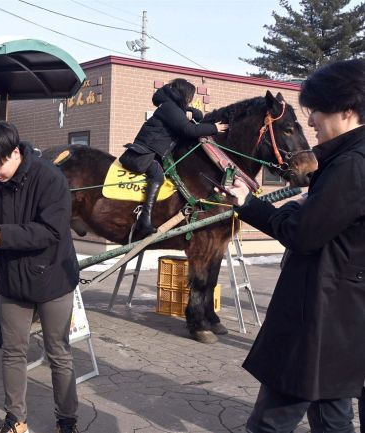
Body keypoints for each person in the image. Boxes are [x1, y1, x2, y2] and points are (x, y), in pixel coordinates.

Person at [227, 58, 365, 433]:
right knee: (333, 416)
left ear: (348, 112)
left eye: (315, 111)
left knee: (271, 422)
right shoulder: (344, 161)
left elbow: (304, 234)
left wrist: (250, 205)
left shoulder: (351, 165)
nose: (310, 122)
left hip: (319, 316)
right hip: (340, 317)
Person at [0, 122, 80, 433]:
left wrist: (1, 236)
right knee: (13, 351)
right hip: (12, 279)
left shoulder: (49, 177)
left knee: (57, 351)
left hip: (54, 276)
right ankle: (15, 419)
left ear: (15, 152)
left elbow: (52, 230)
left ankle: (67, 420)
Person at [120, 78, 228, 238]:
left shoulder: (170, 106)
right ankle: (144, 221)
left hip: (151, 151)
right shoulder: (170, 108)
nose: (190, 100)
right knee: (156, 176)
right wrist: (214, 128)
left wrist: (193, 112)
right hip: (144, 152)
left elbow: (194, 119)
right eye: (190, 97)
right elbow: (187, 129)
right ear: (184, 94)